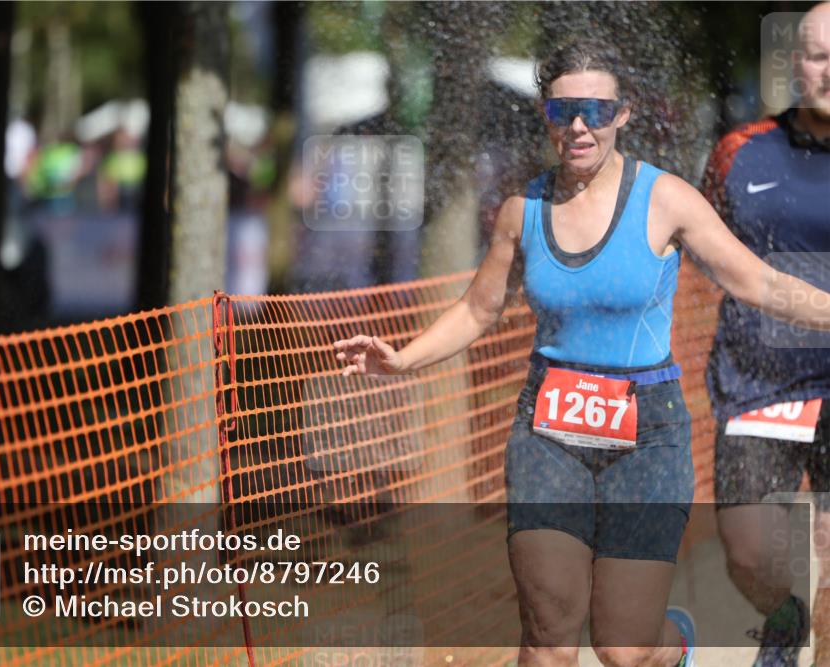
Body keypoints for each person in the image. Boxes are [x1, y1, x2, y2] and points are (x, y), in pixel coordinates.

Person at [333, 37, 830, 667]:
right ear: (545, 113)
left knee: (623, 650)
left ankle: (671, 649)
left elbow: (758, 282)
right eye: (562, 110)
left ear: (622, 114)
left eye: (596, 111)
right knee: (546, 633)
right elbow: (477, 310)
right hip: (548, 435)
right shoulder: (523, 212)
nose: (578, 126)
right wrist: (402, 359)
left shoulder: (666, 200)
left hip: (647, 438)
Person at [703, 4, 830, 666]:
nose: (829, 70)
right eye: (818, 54)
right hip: (758, 383)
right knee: (749, 553)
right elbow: (699, 243)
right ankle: (786, 620)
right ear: (794, 64)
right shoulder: (739, 153)